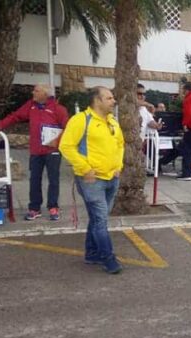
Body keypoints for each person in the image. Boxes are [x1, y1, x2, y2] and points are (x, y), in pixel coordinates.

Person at [59, 86, 124, 274]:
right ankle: (108, 258)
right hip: (92, 180)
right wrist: (85, 168)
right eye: (109, 98)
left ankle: (92, 253)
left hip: (112, 177)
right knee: (100, 219)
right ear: (97, 100)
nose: (113, 101)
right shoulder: (81, 120)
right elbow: (66, 146)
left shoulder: (112, 121)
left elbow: (120, 144)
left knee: (97, 219)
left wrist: (118, 166)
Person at [0, 83, 68, 221]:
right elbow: (15, 116)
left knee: (54, 180)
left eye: (36, 90)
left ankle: (53, 207)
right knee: (34, 180)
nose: (33, 93)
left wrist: (57, 141)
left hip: (53, 151)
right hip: (35, 150)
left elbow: (67, 128)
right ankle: (34, 208)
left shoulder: (59, 109)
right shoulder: (31, 105)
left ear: (46, 94)